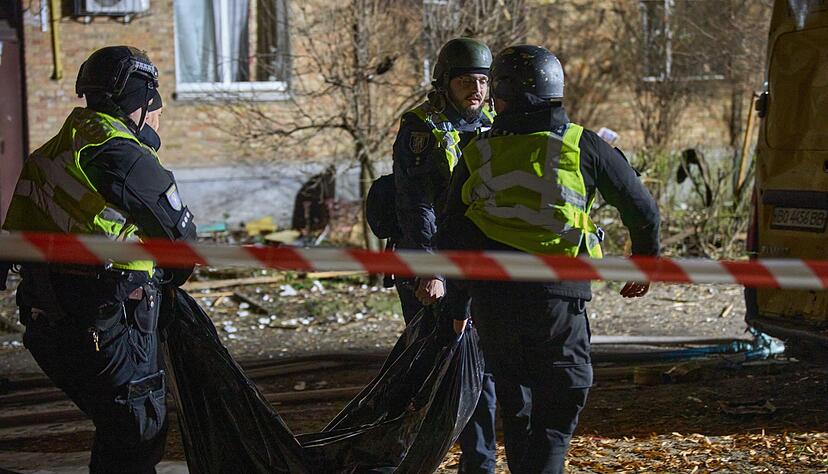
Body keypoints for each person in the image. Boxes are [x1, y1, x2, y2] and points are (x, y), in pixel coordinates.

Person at [437, 45, 660, 473]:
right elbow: (642, 209)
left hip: (494, 304)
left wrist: (458, 305)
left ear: (502, 95)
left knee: (516, 405)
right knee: (559, 405)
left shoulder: (478, 151)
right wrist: (645, 261)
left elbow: (453, 235)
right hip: (557, 303)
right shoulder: (583, 145)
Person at [1, 46, 197, 473]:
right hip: (110, 324)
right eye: (154, 106)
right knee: (137, 428)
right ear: (137, 103)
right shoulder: (122, 154)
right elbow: (181, 242)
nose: (159, 117)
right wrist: (170, 278)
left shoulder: (50, 155)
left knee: (117, 429)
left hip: (49, 325)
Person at [391, 38, 497, 473]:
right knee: (431, 367)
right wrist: (431, 270)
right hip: (431, 264)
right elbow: (417, 205)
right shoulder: (422, 128)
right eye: (466, 81)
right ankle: (415, 458)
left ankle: (479, 464)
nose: (476, 89)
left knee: (478, 368)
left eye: (483, 81)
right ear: (445, 83)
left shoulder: (494, 123)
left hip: (476, 264)